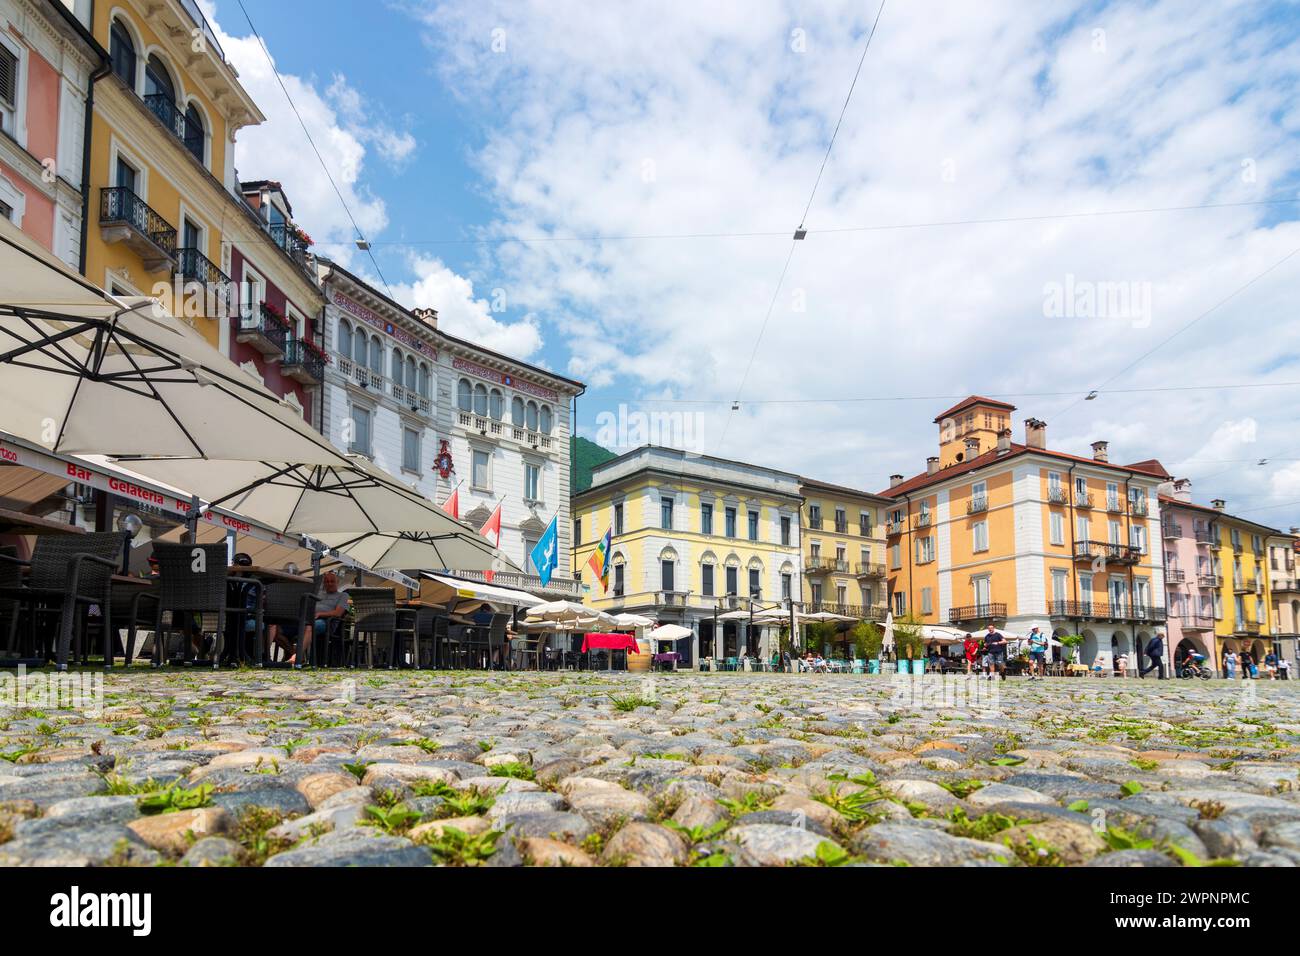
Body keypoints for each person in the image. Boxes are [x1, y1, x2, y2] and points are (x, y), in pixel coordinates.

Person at [280, 571, 349, 666]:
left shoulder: (342, 595)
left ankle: (296, 657)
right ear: (324, 583)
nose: (329, 583)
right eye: (327, 581)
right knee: (275, 628)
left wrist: (320, 614)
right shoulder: (317, 594)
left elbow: (338, 613)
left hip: (326, 622)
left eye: (332, 581)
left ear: (337, 582)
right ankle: (296, 654)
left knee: (310, 626)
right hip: (306, 619)